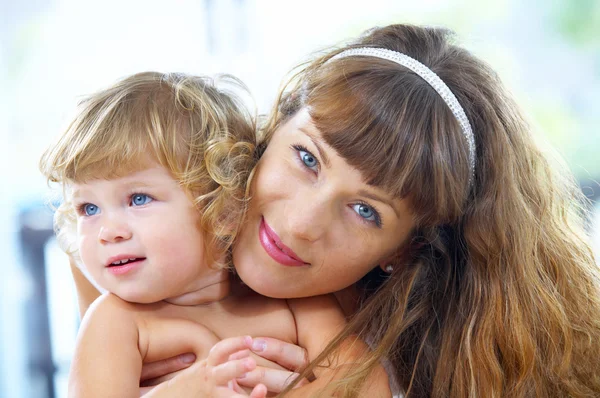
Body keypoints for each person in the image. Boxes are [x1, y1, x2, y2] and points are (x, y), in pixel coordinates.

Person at [69, 24, 600, 398]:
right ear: (272, 127)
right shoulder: (130, 256)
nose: (300, 224)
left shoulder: (339, 319)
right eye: (306, 158)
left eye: (367, 211)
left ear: (405, 250)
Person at [40, 72, 389, 397]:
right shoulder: (114, 322)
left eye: (138, 199)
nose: (107, 232)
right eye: (88, 208)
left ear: (223, 210)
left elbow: (369, 384)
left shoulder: (298, 302)